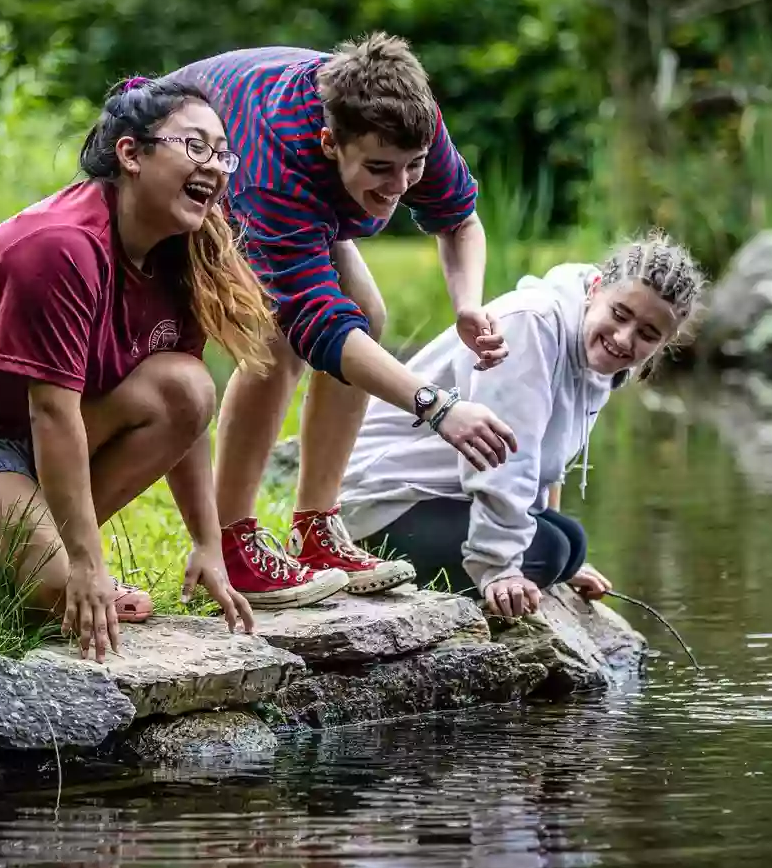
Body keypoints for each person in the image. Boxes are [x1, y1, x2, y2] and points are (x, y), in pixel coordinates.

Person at [0, 76, 290, 661]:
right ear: (131, 154)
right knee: (51, 600)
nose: (215, 166)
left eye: (221, 151)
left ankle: (12, 551)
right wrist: (85, 564)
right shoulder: (58, 247)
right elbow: (51, 412)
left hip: (32, 435)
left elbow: (187, 417)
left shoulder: (179, 250)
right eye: (195, 146)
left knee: (187, 385)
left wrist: (209, 544)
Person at [164, 32, 518, 606]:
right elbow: (319, 326)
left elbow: (458, 221)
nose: (401, 187)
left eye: (414, 166)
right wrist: (438, 407)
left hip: (295, 183)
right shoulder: (278, 162)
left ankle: (316, 529)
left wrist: (468, 304)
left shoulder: (407, 118)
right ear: (332, 143)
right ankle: (230, 546)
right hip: (196, 169)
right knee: (277, 341)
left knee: (368, 316)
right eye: (380, 169)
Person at [336, 231, 707, 620]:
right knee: (549, 551)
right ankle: (370, 555)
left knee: (568, 543)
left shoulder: (595, 355)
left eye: (648, 334)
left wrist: (562, 564)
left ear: (665, 342)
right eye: (620, 314)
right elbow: (506, 456)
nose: (624, 337)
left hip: (439, 495)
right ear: (596, 288)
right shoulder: (531, 326)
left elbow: (547, 457)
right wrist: (497, 568)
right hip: (379, 502)